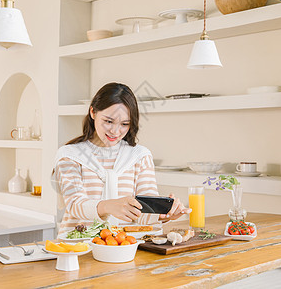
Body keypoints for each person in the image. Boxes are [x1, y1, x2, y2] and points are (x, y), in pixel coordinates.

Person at [53, 82, 191, 234]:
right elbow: (75, 205)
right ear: (93, 112)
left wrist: (165, 213)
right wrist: (108, 206)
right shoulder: (70, 155)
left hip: (123, 246)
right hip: (77, 247)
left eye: (125, 124)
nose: (115, 131)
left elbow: (144, 213)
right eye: (108, 121)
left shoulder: (139, 156)